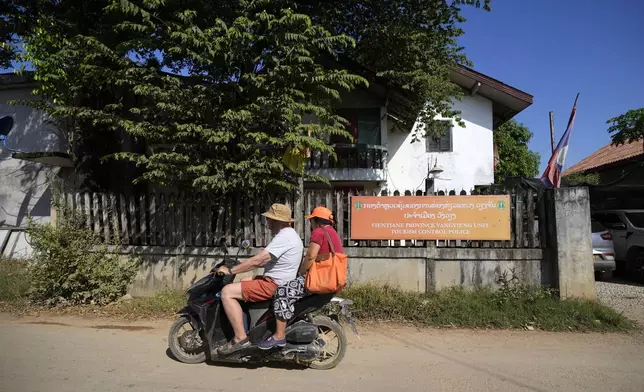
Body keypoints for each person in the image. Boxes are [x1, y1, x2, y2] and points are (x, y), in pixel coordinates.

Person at [215, 203, 303, 354]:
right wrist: (242, 264)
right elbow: (263, 259)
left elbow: (258, 261)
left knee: (227, 292)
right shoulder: (289, 235)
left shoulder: (284, 237)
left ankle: (240, 338)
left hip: (274, 284)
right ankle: (250, 325)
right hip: (277, 280)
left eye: (269, 219)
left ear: (277, 221)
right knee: (244, 280)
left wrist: (230, 270)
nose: (267, 222)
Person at [257, 206, 344, 349]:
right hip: (331, 279)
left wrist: (302, 273)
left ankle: (279, 336)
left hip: (318, 279)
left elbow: (310, 256)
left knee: (282, 292)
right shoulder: (333, 233)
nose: (311, 224)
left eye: (312, 221)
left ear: (317, 221)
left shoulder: (318, 232)